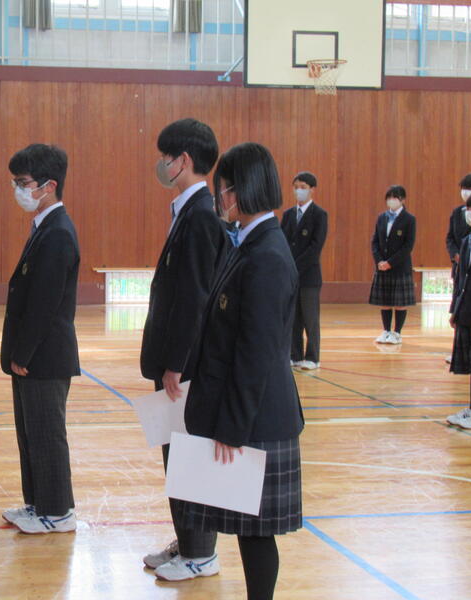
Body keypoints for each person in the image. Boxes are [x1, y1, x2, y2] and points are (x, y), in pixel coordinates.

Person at [182, 142, 304, 600]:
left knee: (256, 534)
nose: (221, 197)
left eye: (225, 189)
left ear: (242, 191)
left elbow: (257, 354)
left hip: (255, 420)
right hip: (240, 414)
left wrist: (231, 428)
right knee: (248, 530)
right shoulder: (247, 242)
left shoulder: (267, 254)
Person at [139, 118, 229, 581]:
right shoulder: (186, 211)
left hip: (186, 365)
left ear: (184, 160)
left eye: (166, 157)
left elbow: (194, 296)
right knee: (174, 452)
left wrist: (176, 362)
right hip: (175, 361)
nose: (162, 165)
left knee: (188, 453)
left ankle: (201, 553)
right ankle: (187, 541)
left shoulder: (200, 216)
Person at [0, 144, 80, 534]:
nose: (19, 189)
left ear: (49, 185)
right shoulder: (43, 227)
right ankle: (37, 504)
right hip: (32, 354)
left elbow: (44, 304)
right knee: (30, 432)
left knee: (47, 434)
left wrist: (24, 352)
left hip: (45, 355)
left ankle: (58, 510)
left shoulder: (58, 232)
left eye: (24, 182)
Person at [281, 171, 328, 370]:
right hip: (290, 277)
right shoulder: (288, 215)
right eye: (296, 187)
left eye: (303, 187)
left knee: (310, 318)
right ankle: (295, 355)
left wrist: (295, 267)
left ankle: (313, 357)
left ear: (312, 190)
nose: (298, 191)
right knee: (294, 319)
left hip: (309, 276)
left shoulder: (319, 215)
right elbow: (282, 242)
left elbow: (315, 247)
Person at [447, 190, 471, 429]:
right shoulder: (468, 240)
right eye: (469, 209)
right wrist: (455, 310)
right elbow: (461, 280)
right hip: (468, 311)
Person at [369, 185, 416, 345]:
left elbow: (408, 246)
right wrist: (379, 261)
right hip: (382, 267)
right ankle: (386, 331)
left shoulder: (409, 219)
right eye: (389, 197)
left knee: (399, 303)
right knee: (385, 301)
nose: (391, 200)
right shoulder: (382, 217)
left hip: (400, 267)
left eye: (395, 197)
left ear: (403, 200)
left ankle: (397, 333)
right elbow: (375, 241)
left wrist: (390, 262)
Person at [445, 174, 471, 363]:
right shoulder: (458, 213)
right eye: (464, 188)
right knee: (460, 307)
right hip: (462, 270)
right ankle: (458, 349)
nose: (466, 192)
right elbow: (450, 238)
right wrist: (455, 254)